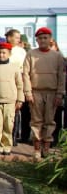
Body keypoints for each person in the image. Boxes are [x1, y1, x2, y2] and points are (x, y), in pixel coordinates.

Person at [23, 27, 65, 161]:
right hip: (36, 92)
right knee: (36, 121)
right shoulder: (31, 54)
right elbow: (25, 74)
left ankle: (46, 148)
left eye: (45, 38)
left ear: (50, 39)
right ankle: (36, 149)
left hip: (52, 92)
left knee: (49, 121)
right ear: (37, 40)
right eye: (40, 38)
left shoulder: (57, 56)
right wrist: (28, 92)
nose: (43, 40)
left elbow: (61, 76)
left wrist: (60, 94)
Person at [5, 29, 27, 146]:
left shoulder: (21, 51)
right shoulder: (3, 49)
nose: (19, 39)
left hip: (17, 81)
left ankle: (14, 136)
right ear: (9, 37)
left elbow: (24, 67)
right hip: (4, 82)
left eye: (19, 37)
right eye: (16, 37)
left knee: (16, 110)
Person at [49, 38, 66, 146]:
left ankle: (57, 139)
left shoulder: (62, 60)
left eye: (52, 45)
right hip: (47, 91)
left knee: (57, 117)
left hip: (59, 91)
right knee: (48, 118)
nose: (50, 48)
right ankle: (48, 139)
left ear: (56, 47)